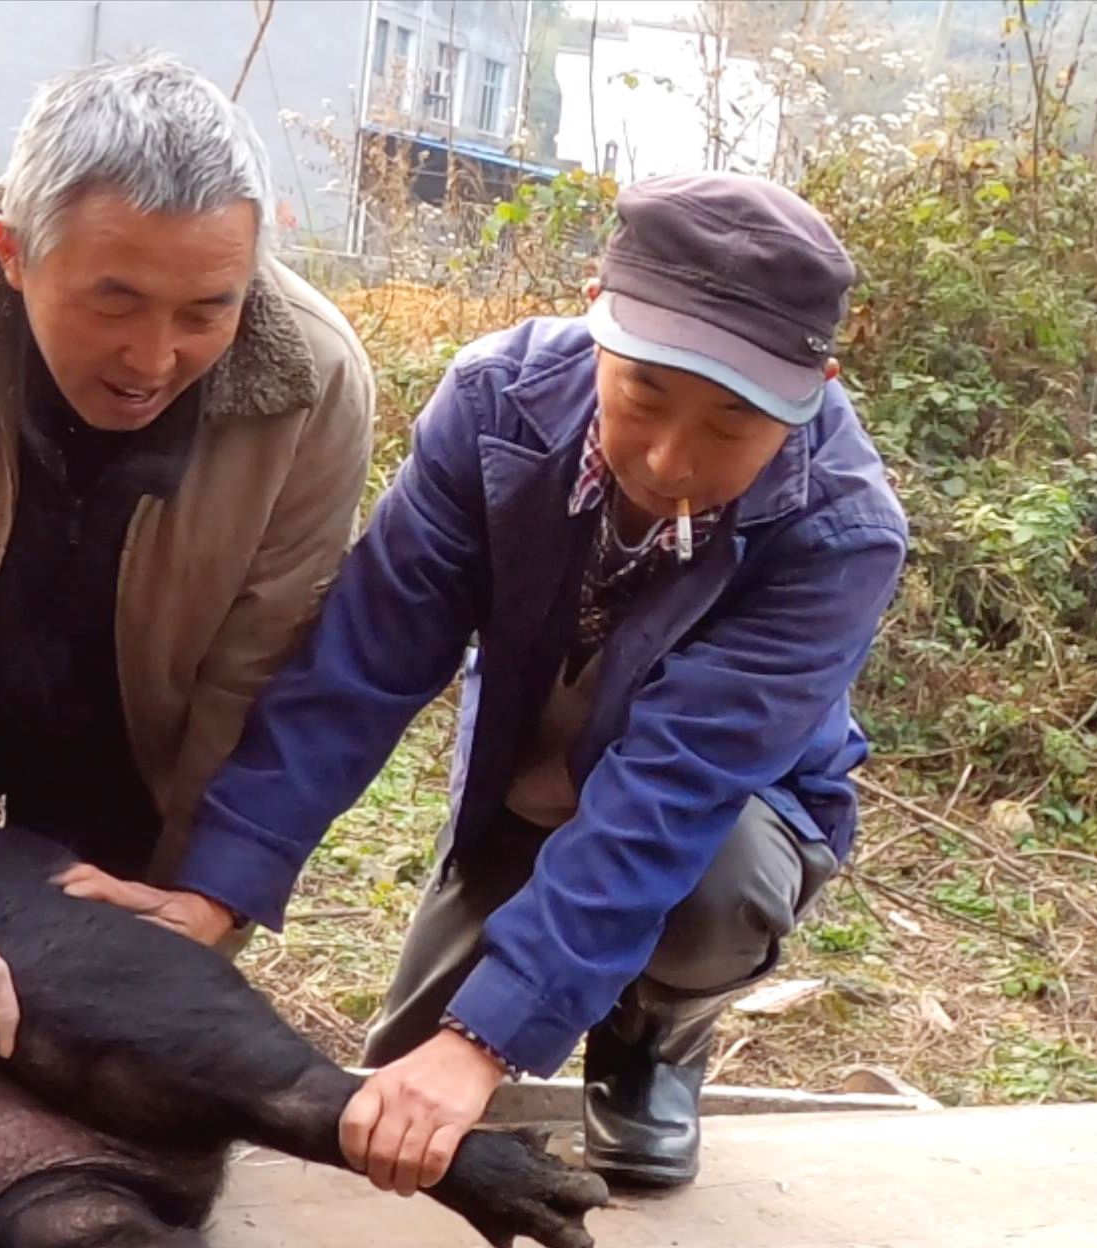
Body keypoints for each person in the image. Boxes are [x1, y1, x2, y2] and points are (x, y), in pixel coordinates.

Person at [75, 174, 907, 1192]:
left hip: (726, 816)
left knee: (703, 888)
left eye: (731, 425)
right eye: (643, 394)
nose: (668, 458)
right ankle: (534, 972)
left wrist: (486, 1042)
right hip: (528, 788)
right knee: (395, 1096)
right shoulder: (495, 405)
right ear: (595, 311)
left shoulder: (839, 534)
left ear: (815, 385)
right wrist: (216, 891)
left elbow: (672, 793)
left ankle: (656, 1031)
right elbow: (361, 666)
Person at [0, 54, 375, 1076]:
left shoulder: (313, 383)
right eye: (114, 302)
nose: (153, 360)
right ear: (12, 252)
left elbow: (253, 684)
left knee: (103, 1054)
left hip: (137, 734)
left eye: (205, 312)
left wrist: (199, 908)